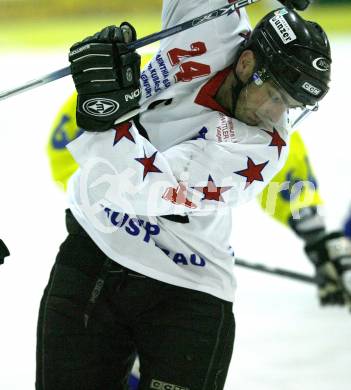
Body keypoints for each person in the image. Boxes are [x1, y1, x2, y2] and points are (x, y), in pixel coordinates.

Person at [36, 2, 345, 389]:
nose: (275, 114)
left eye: (290, 105)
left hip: (186, 289)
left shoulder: (260, 150)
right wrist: (105, 112)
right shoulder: (214, 27)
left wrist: (103, 112)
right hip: (96, 251)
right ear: (246, 63)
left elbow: (134, 187)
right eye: (274, 94)